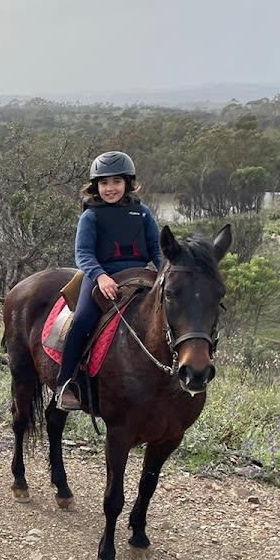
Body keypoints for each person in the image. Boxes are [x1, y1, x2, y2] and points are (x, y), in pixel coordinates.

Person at [53, 150, 163, 411]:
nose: (110, 188)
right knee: (81, 321)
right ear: (95, 187)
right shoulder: (91, 216)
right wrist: (101, 276)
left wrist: (164, 274)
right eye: (104, 183)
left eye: (116, 181)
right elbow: (83, 254)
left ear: (127, 183)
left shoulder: (143, 213)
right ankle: (66, 382)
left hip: (140, 275)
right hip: (101, 276)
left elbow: (156, 250)